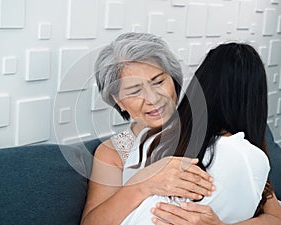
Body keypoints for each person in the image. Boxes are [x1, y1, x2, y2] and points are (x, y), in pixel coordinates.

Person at [80, 33, 281, 225]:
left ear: (174, 80)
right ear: (118, 101)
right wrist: (144, 184)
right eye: (135, 90)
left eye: (158, 82)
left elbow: (274, 217)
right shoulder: (113, 153)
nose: (153, 98)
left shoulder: (219, 140)